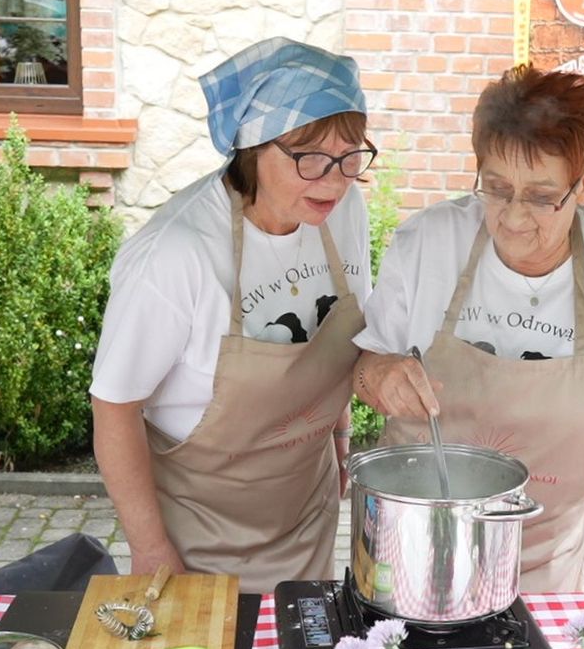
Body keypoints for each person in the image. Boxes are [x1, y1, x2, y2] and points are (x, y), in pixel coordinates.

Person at [352, 65, 584, 631]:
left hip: (545, 563)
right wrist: (380, 379)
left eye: (543, 197)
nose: (514, 220)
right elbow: (365, 367)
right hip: (408, 552)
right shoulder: (428, 241)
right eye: (496, 189)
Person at [89, 38, 375, 593]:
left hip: (305, 517)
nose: (336, 179)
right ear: (252, 146)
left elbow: (337, 339)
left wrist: (340, 443)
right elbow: (115, 407)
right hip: (199, 537)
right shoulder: (176, 254)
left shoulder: (344, 212)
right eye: (310, 157)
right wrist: (149, 547)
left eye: (350, 154)